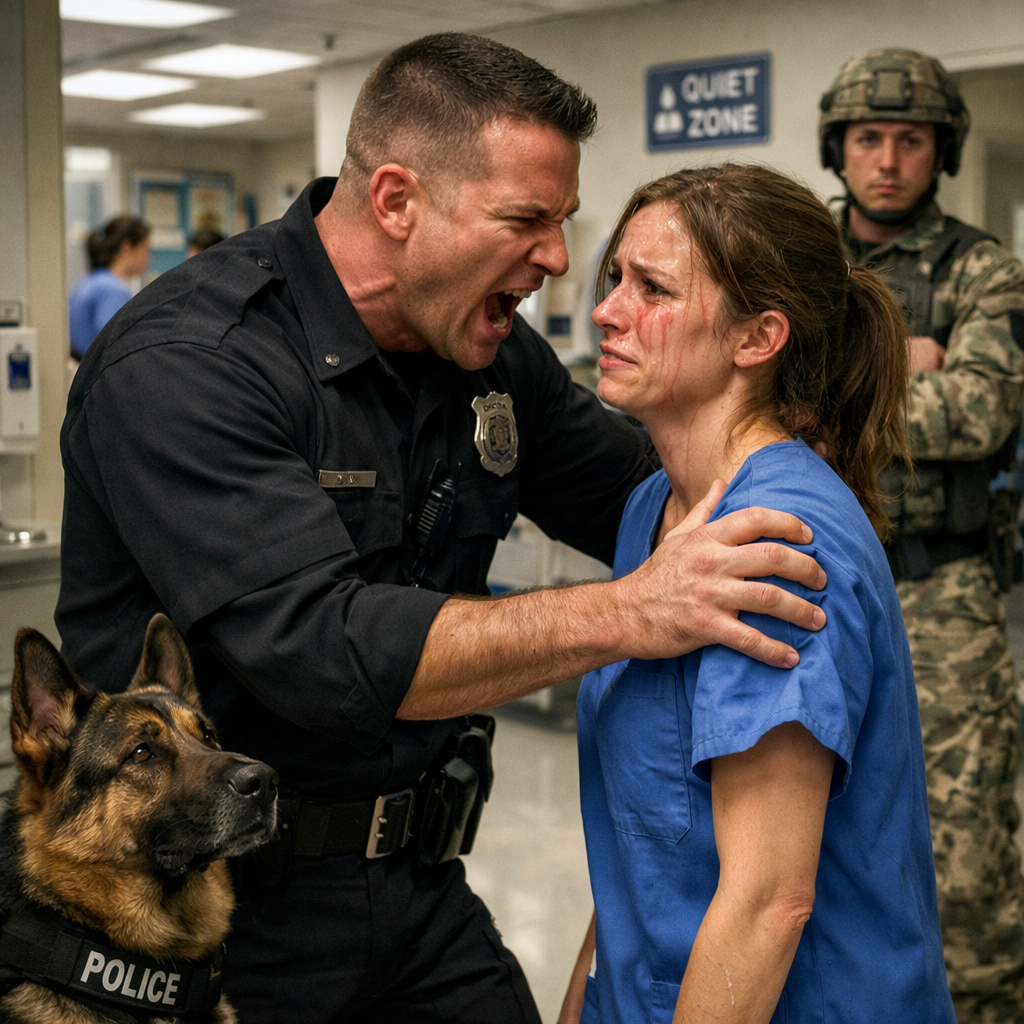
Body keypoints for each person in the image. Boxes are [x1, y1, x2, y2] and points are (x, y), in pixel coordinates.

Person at [57, 35, 828, 1024]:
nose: (556, 260)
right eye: (525, 220)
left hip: (414, 883)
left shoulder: (484, 350)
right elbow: (324, 648)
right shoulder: (191, 363)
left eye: (562, 223)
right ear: (394, 200)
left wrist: (765, 445)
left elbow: (643, 493)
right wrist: (634, 611)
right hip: (208, 906)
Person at [560, 164, 955, 1024]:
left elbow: (770, 905)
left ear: (757, 338)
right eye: (616, 278)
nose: (606, 310)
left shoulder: (776, 537)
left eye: (653, 288)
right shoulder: (652, 511)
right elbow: (644, 847)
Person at [820, 49, 1024, 1023]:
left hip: (940, 595)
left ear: (940, 152)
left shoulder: (983, 267)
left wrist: (836, 381)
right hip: (804, 580)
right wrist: (905, 360)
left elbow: (979, 416)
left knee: (967, 855)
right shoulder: (798, 254)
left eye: (910, 140)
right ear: (840, 146)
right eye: (869, 138)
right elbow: (743, 386)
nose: (888, 159)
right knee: (802, 831)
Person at [67, 214, 151, 360]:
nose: (149, 258)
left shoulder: (89, 281)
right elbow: (114, 345)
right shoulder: (112, 289)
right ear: (127, 247)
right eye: (146, 249)